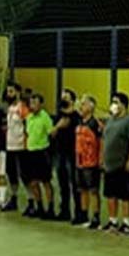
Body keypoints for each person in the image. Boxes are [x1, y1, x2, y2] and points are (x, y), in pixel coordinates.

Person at [101, 92, 129, 233]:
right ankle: (112, 221)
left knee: (124, 195)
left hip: (122, 163)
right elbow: (104, 140)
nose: (113, 105)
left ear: (123, 104)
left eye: (116, 102)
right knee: (110, 194)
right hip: (109, 164)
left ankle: (126, 222)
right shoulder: (110, 120)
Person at [51, 89, 82, 221]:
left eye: (66, 97)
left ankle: (79, 212)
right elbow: (52, 133)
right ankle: (64, 210)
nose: (63, 99)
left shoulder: (76, 117)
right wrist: (58, 126)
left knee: (75, 184)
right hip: (60, 152)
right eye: (62, 96)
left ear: (73, 101)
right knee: (62, 184)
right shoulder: (58, 116)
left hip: (73, 153)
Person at [24, 94, 55, 219]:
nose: (33, 105)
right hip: (31, 152)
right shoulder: (29, 117)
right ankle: (39, 207)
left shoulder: (45, 117)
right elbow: (27, 133)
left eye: (35, 103)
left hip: (42, 152)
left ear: (41, 104)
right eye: (31, 103)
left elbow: (51, 132)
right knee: (33, 182)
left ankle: (50, 208)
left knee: (46, 181)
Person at [74, 95, 103, 229]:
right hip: (79, 161)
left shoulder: (95, 123)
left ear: (91, 106)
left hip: (91, 162)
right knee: (82, 189)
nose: (81, 107)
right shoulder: (80, 122)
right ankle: (83, 214)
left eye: (84, 104)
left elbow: (101, 141)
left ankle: (96, 216)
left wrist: (100, 159)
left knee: (93, 190)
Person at [2, 83, 30, 212]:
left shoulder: (22, 107)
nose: (9, 94)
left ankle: (31, 200)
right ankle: (13, 198)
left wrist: (26, 143)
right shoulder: (9, 108)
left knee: (25, 175)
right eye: (8, 92)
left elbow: (28, 126)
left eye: (12, 91)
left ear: (18, 92)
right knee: (11, 174)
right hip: (10, 146)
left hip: (20, 146)